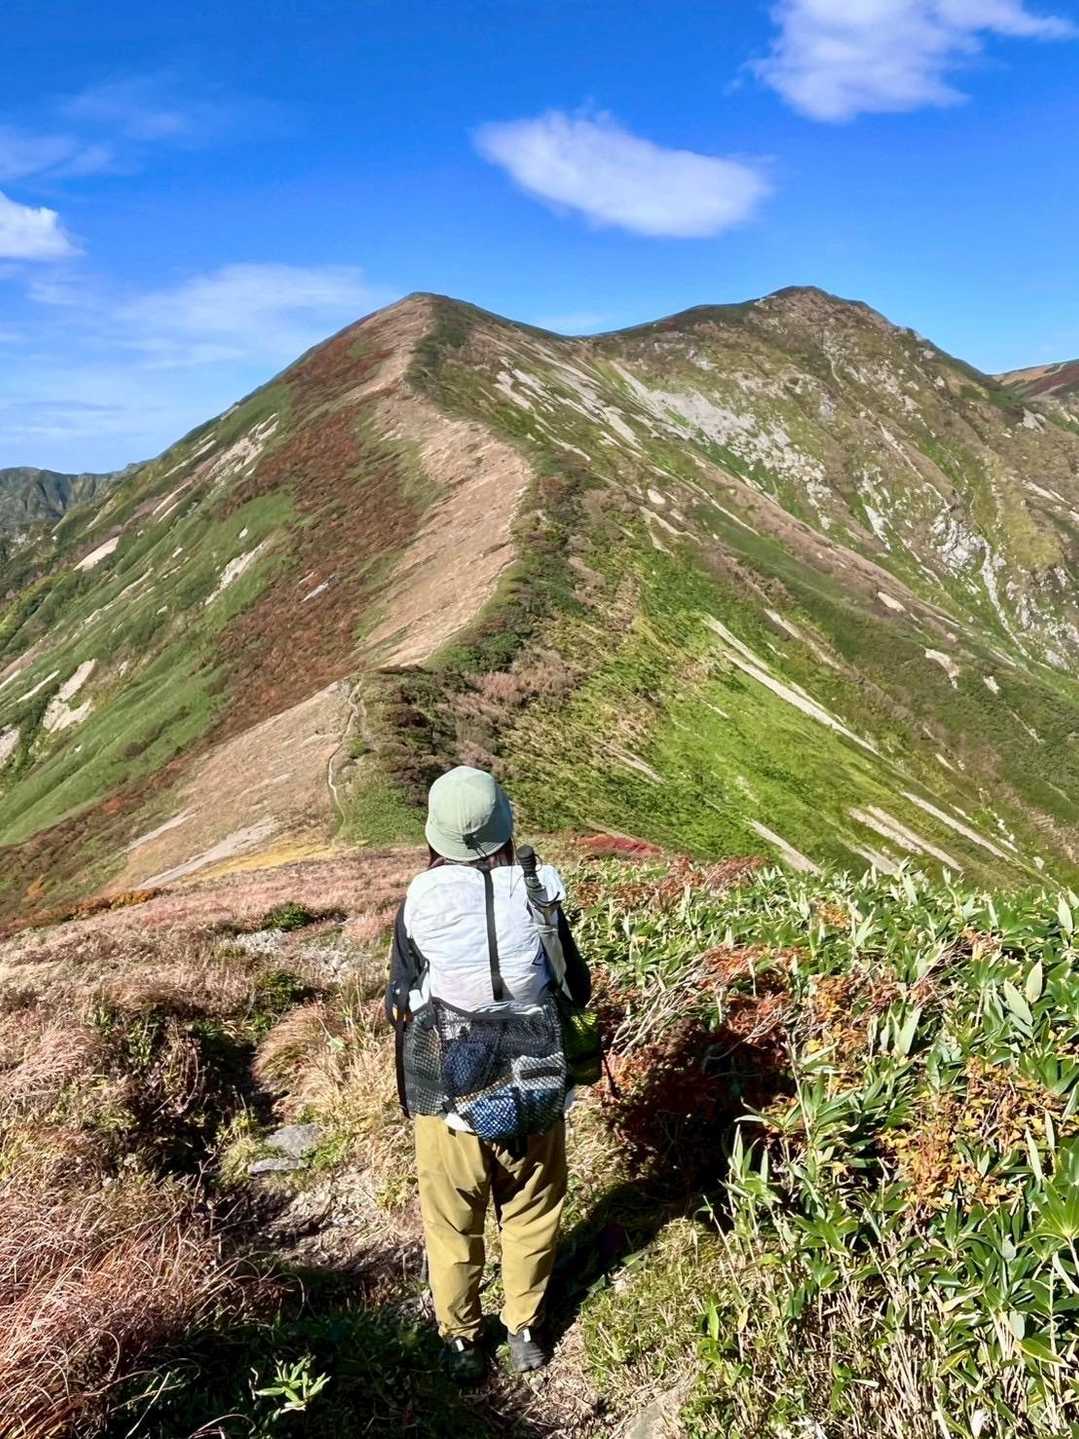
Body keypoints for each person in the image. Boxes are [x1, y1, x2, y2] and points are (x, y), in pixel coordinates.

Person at [386, 765, 590, 1383]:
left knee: (452, 1222)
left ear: (436, 834)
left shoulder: (420, 902)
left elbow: (401, 1001)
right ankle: (524, 1330)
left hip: (449, 1097)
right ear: (506, 823)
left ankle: (462, 1342)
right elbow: (576, 988)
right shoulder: (539, 889)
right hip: (535, 1083)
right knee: (531, 1208)